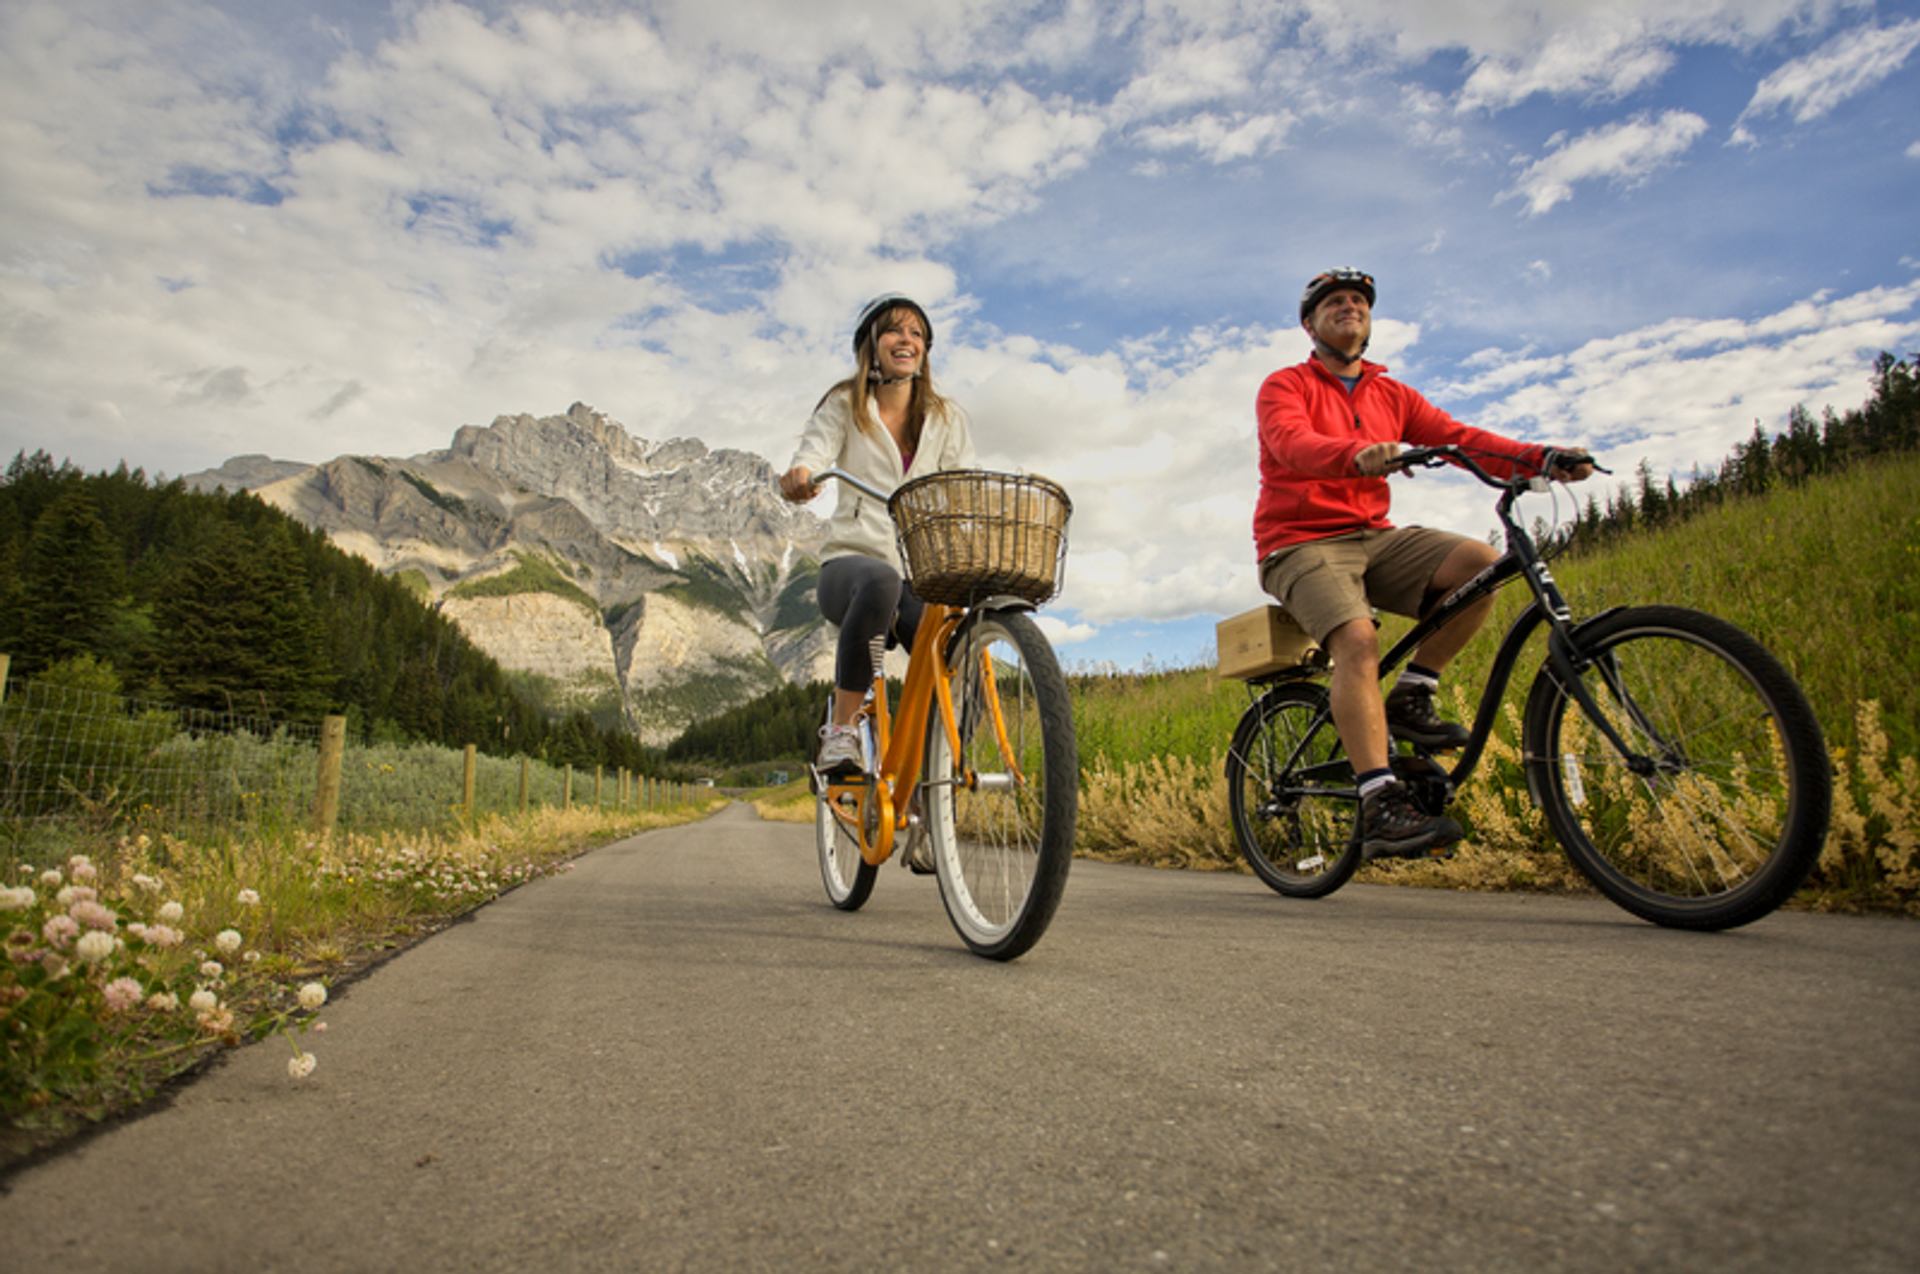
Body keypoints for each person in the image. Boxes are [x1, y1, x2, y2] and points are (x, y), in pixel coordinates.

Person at [1253, 268, 1592, 860]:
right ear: (1310, 324)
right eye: (1334, 302)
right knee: (1357, 640)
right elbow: (1290, 442)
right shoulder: (1285, 385)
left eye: (1359, 301)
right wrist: (1355, 455)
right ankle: (1380, 800)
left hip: (1374, 536)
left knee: (1482, 564)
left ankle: (1413, 691)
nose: (1349, 307)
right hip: (1298, 542)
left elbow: (1460, 437)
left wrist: (1543, 458)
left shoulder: (1392, 394)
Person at [780, 293, 976, 788]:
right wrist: (802, 473)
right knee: (881, 579)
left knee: (958, 656)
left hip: (920, 572)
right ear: (872, 343)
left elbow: (962, 485)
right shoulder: (847, 404)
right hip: (852, 566)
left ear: (925, 350)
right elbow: (815, 447)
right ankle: (842, 731)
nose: (905, 340)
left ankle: (930, 791)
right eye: (894, 330)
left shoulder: (946, 417)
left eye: (916, 333)